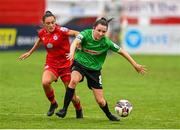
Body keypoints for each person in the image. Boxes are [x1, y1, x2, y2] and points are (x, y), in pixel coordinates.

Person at [55, 17, 147, 121]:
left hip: (94, 70)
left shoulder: (106, 42)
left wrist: (135, 64)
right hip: (80, 64)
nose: (101, 33)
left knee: (100, 101)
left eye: (104, 31)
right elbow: (75, 42)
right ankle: (64, 109)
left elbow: (122, 51)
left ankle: (109, 115)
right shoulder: (85, 34)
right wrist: (72, 52)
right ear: (93, 28)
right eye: (99, 30)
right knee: (73, 81)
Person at [19, 11, 83, 118]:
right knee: (45, 82)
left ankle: (78, 109)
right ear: (44, 24)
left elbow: (77, 33)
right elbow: (39, 40)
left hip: (66, 65)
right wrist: (30, 52)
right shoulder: (42, 32)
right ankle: (53, 103)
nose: (51, 25)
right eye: (48, 23)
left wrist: (78, 44)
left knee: (72, 96)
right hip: (52, 64)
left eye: (53, 22)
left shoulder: (62, 30)